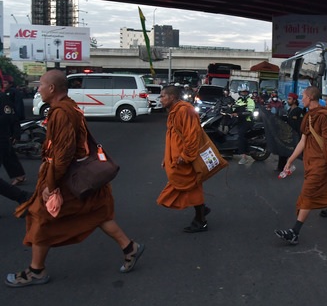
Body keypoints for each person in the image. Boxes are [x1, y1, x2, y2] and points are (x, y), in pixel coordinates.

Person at [6, 70, 144, 288]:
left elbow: (62, 156)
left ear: (52, 89)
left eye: (41, 85)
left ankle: (36, 271)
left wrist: (50, 187)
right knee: (97, 213)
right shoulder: (69, 107)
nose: (38, 89)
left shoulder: (61, 113)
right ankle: (130, 248)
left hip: (66, 177)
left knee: (41, 216)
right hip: (78, 174)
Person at [274, 86, 327, 245]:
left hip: (321, 164)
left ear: (310, 97)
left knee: (307, 195)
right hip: (312, 163)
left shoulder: (324, 116)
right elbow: (303, 141)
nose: (302, 99)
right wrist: (290, 160)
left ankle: (294, 232)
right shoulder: (310, 116)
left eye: (303, 96)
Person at [156, 85, 210, 233]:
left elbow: (192, 136)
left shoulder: (184, 110)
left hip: (183, 160)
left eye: (162, 96)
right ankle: (201, 212)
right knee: (191, 188)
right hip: (175, 159)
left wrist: (186, 156)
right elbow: (172, 137)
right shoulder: (174, 111)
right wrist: (166, 158)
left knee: (191, 188)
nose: (160, 99)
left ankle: (201, 220)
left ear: (172, 97)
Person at [0, 85, 27, 186]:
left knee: (7, 154)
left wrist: (16, 133)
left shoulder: (2, 97)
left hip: (3, 133)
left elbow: (8, 116)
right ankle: (19, 175)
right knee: (9, 155)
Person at [276, 93, 304, 172]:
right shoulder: (289, 110)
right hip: (289, 135)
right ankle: (281, 167)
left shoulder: (299, 111)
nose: (288, 100)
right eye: (288, 99)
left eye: (289, 99)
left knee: (302, 153)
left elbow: (300, 124)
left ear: (294, 100)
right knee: (283, 151)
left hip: (296, 136)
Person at [233, 83, 255, 165]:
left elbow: (249, 112)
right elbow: (233, 108)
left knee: (241, 135)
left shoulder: (250, 101)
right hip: (238, 120)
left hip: (247, 121)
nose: (244, 94)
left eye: (245, 92)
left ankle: (244, 157)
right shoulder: (238, 100)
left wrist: (238, 114)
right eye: (242, 92)